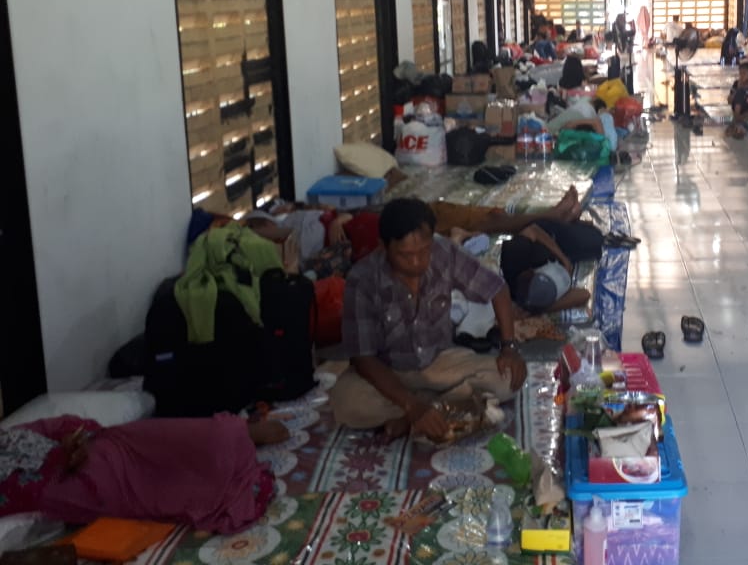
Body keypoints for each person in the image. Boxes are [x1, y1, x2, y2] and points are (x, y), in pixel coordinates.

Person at [332, 198, 528, 436]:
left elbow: (497, 289)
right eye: (405, 255)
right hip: (388, 371)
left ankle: (416, 414)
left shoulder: (444, 251)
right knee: (345, 404)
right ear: (382, 247)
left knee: (507, 380)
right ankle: (438, 405)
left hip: (440, 362)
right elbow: (364, 359)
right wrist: (411, 404)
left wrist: (508, 347)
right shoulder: (362, 279)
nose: (416, 262)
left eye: (423, 251)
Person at [0, 414, 287, 533]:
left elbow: (62, 424)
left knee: (204, 436)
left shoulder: (10, 436)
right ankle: (232, 460)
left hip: (114, 443)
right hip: (92, 485)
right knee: (181, 489)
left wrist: (72, 439)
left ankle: (241, 434)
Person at [338, 187, 583, 264]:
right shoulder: (367, 262)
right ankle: (552, 214)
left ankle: (553, 214)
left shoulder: (332, 218)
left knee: (487, 216)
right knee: (490, 221)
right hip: (409, 226)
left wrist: (338, 218)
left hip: (417, 214)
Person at [499, 221, 599, 315]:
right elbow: (584, 295)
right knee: (593, 244)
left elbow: (533, 229)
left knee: (590, 238)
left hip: (548, 239)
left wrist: (563, 259)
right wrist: (541, 309)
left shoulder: (515, 254)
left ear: (531, 271)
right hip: (560, 258)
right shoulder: (527, 298)